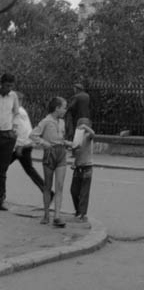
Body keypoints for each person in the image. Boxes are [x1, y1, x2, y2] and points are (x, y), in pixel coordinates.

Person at [31, 96, 72, 227]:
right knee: (47, 186)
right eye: (64, 107)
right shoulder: (46, 121)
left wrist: (67, 143)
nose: (65, 110)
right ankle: (46, 214)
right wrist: (44, 143)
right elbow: (32, 135)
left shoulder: (62, 122)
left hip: (61, 153)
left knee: (59, 186)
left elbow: (60, 138)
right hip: (49, 154)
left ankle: (57, 216)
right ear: (57, 108)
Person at [10, 91, 49, 199]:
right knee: (30, 170)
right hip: (24, 145)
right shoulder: (20, 111)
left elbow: (23, 130)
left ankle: (47, 191)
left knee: (2, 169)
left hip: (21, 146)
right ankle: (47, 192)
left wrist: (20, 147)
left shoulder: (18, 112)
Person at [0, 73, 19, 211]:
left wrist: (15, 130)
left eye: (11, 86)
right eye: (7, 86)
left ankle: (1, 199)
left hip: (7, 135)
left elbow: (16, 113)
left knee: (3, 169)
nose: (9, 89)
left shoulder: (13, 96)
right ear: (2, 84)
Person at [70, 117, 94, 222]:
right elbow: (76, 153)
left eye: (83, 126)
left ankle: (82, 213)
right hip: (78, 167)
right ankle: (78, 210)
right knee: (74, 191)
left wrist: (86, 128)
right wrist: (74, 162)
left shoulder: (88, 136)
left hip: (87, 167)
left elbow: (93, 134)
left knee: (84, 192)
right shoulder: (77, 138)